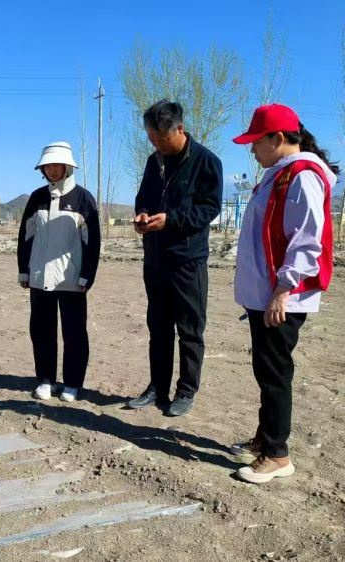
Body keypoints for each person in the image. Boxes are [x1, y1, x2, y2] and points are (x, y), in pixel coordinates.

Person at [229, 103, 337, 483]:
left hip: (282, 296)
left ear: (277, 138)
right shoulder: (280, 173)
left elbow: (307, 243)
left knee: (275, 372)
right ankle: (265, 438)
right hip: (267, 294)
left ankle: (278, 455)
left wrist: (283, 289)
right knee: (265, 368)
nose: (252, 151)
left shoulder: (302, 177)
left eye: (256, 143)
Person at [128, 100, 222, 417]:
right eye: (152, 139)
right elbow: (144, 197)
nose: (156, 145)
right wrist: (142, 213)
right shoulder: (155, 162)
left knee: (190, 328)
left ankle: (185, 391)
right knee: (158, 326)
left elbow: (209, 209)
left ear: (179, 129)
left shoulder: (207, 162)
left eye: (161, 139)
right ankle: (157, 388)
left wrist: (172, 219)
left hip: (187, 260)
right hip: (155, 257)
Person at [17, 141, 100, 402]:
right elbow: (26, 237)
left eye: (57, 165)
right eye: (48, 166)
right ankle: (45, 380)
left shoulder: (83, 198)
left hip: (72, 280)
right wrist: (24, 271)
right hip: (40, 278)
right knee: (41, 330)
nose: (52, 171)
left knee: (74, 333)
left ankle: (73, 383)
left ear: (67, 166)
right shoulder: (36, 198)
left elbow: (93, 242)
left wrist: (87, 275)